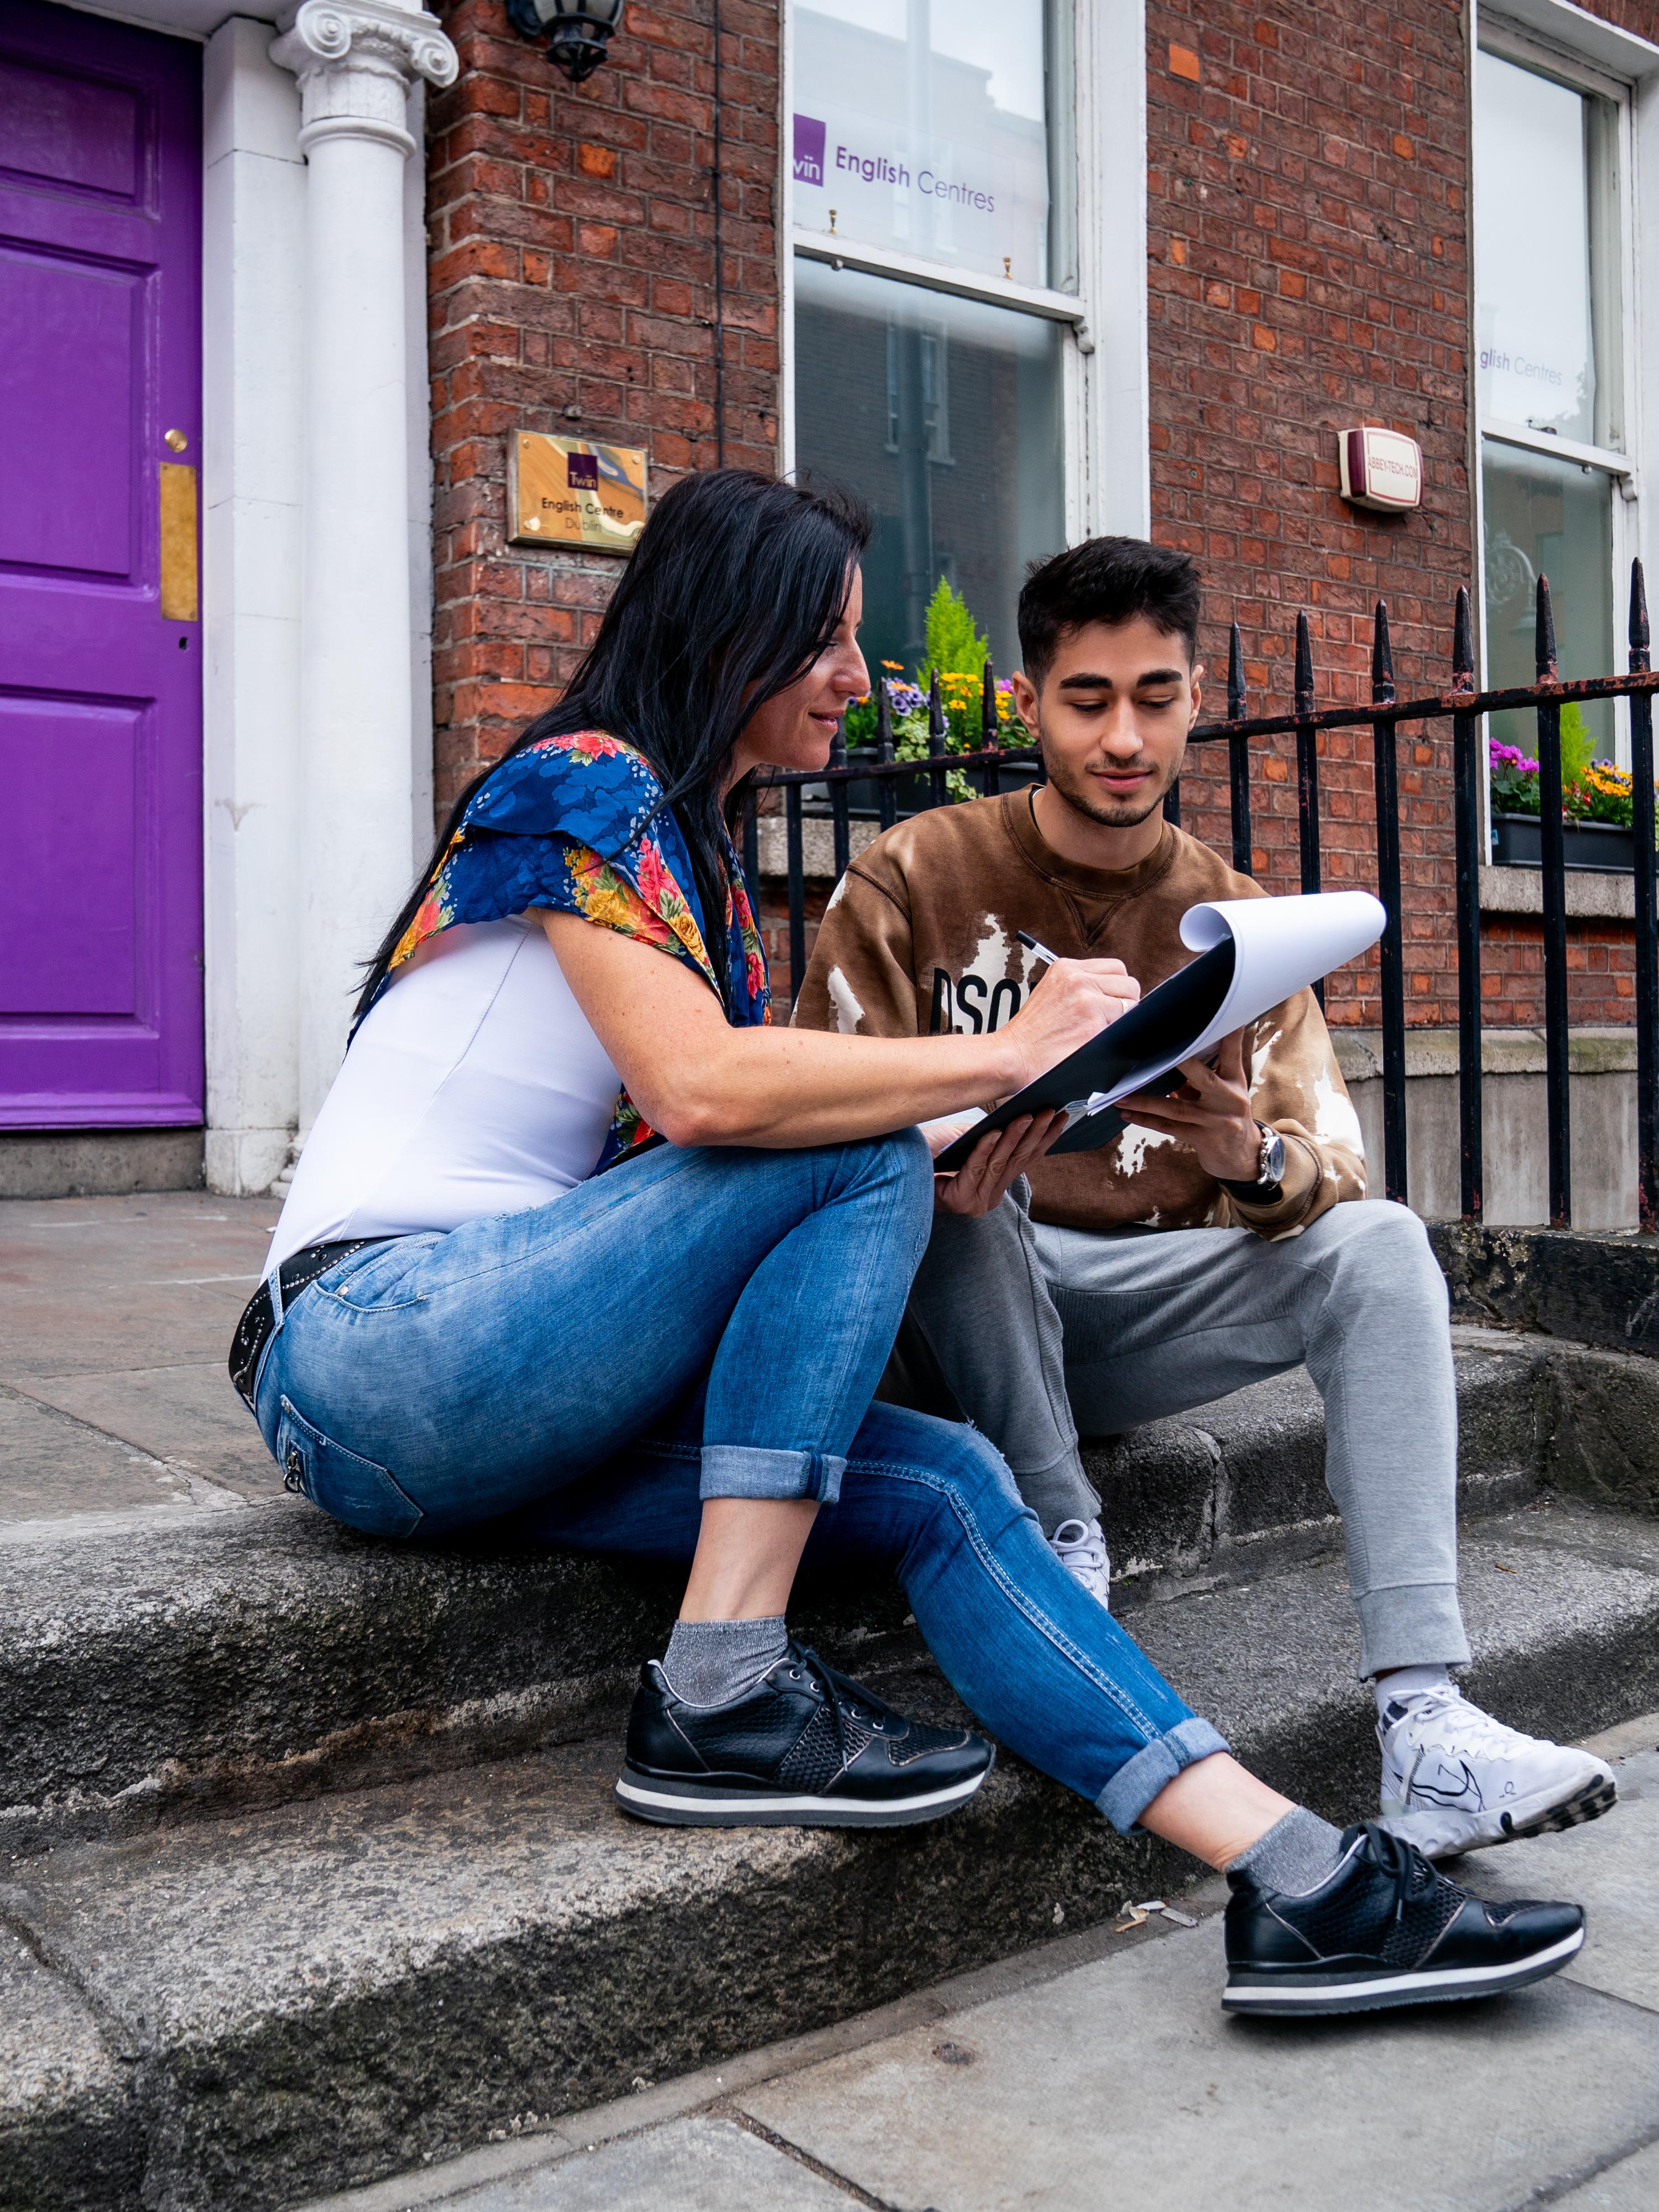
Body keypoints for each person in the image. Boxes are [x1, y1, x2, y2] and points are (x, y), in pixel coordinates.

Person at [231, 474, 1583, 2015]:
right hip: (370, 1349)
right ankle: (724, 1686)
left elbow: (687, 1168)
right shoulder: (582, 781)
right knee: (860, 1139)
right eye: (829, 641)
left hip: (524, 1397)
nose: (858, 681)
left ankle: (1306, 1883)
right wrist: (997, 1063)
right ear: (730, 627)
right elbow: (702, 1093)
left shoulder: (702, 863)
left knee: (950, 1481)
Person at [794, 534, 1617, 1865]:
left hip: (1126, 1310)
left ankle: (1427, 1720)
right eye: (1089, 698)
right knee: (957, 1184)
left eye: (1157, 696)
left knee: (1386, 1244)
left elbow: (1329, 1157)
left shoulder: (1235, 912)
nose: (1126, 736)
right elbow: (821, 1103)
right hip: (944, 1315)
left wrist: (1248, 1155)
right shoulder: (914, 872)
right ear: (1029, 699)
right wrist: (955, 1135)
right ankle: (1066, 1556)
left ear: (1191, 700)